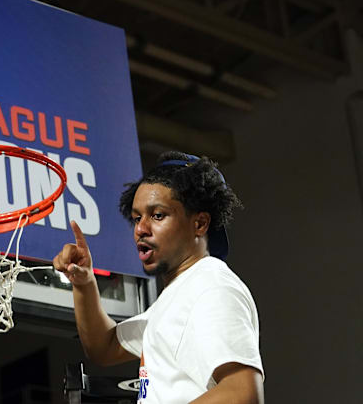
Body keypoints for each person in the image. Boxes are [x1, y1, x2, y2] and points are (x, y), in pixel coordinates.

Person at [53, 151, 264, 403]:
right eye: (137, 218)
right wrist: (84, 282)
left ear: (200, 224)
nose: (141, 229)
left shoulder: (211, 287)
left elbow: (243, 392)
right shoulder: (176, 297)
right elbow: (104, 347)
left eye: (158, 215)